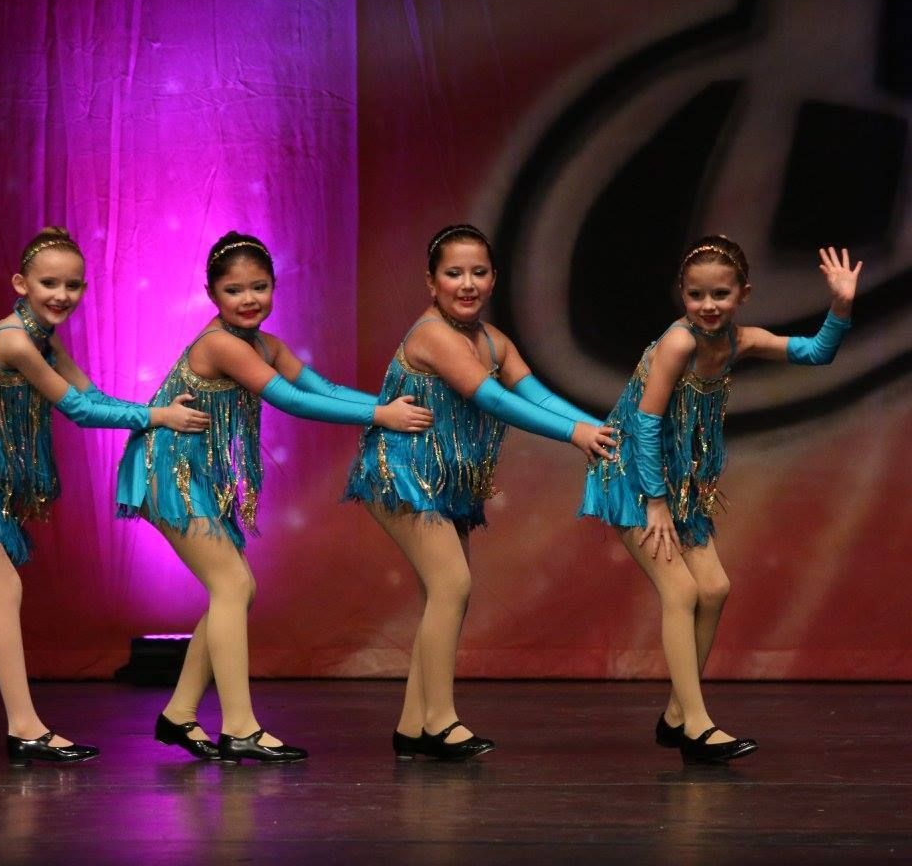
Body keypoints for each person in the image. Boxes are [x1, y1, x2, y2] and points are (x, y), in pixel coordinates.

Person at [0, 227, 209, 765]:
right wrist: (160, 416)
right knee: (3, 588)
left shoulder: (43, 338)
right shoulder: (15, 340)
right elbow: (78, 413)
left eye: (74, 285)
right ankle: (25, 728)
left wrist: (157, 408)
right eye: (49, 283)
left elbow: (91, 395)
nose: (62, 295)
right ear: (21, 284)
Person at [117, 231, 435, 764]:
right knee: (234, 584)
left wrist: (385, 404)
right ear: (212, 295)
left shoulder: (266, 345)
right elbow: (289, 399)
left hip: (196, 472)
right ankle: (239, 727)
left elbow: (321, 389)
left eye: (259, 287)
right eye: (234, 290)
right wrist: (381, 417)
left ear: (273, 287)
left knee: (233, 590)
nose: (248, 299)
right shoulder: (220, 343)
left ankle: (178, 714)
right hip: (165, 469)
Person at [580, 237, 860, 763]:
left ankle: (675, 715)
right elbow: (645, 421)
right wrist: (656, 504)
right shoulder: (679, 344)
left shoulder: (740, 341)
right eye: (696, 294)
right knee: (681, 592)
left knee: (715, 587)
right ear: (682, 296)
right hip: (632, 475)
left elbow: (817, 352)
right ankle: (697, 724)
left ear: (743, 294)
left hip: (677, 485)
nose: (708, 305)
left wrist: (841, 305)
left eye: (721, 294)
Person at [345, 223, 617, 761]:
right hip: (401, 473)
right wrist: (574, 435)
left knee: (442, 595)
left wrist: (598, 428)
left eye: (477, 272)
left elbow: (535, 394)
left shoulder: (493, 340)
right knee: (452, 585)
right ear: (431, 282)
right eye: (453, 273)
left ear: (493, 279)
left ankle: (411, 725)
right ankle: (440, 723)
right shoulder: (433, 336)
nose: (466, 283)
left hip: (448, 481)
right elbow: (492, 400)